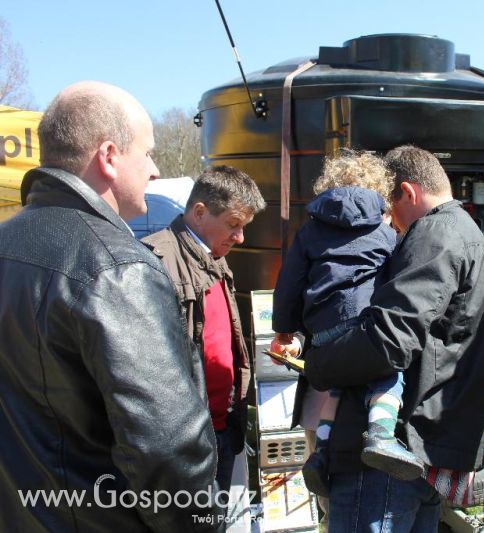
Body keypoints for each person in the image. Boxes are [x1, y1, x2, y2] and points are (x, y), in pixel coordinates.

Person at [0, 81, 220, 531]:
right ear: (109, 156)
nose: (156, 170)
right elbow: (167, 447)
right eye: (147, 152)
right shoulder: (117, 268)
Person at [283, 145, 484, 531]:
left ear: (408, 193)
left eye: (388, 210)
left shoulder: (434, 232)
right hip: (426, 447)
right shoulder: (466, 232)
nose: (389, 224)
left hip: (388, 458)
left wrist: (317, 364)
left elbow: (389, 339)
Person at [270, 151, 422, 499]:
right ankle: (381, 435)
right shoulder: (386, 234)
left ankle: (320, 453)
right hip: (364, 328)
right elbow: (395, 281)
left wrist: (284, 331)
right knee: (387, 375)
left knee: (335, 387)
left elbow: (288, 285)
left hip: (323, 334)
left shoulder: (309, 231)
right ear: (378, 191)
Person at [142, 165, 266, 509]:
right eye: (233, 224)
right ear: (199, 212)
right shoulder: (154, 262)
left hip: (222, 428)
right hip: (184, 442)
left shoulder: (214, 257)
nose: (240, 237)